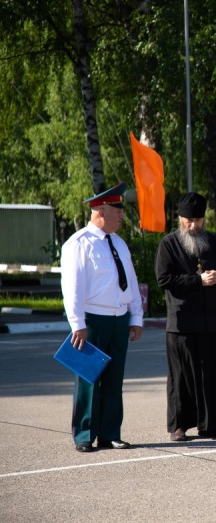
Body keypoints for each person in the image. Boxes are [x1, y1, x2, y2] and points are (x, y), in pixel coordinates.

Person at [155, 192, 216, 442]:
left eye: (198, 220)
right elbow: (164, 279)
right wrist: (198, 280)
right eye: (189, 220)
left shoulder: (214, 241)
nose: (193, 225)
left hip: (212, 321)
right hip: (182, 323)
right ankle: (178, 426)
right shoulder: (169, 244)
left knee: (211, 375)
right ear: (180, 218)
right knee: (181, 377)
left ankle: (210, 425)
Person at [60, 183, 143, 453]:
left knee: (114, 379)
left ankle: (109, 433)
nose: (121, 215)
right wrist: (77, 324)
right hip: (93, 320)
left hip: (119, 319)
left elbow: (130, 281)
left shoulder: (118, 242)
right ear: (100, 211)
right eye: (116, 210)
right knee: (88, 379)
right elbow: (72, 287)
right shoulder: (78, 243)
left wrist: (136, 317)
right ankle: (84, 434)